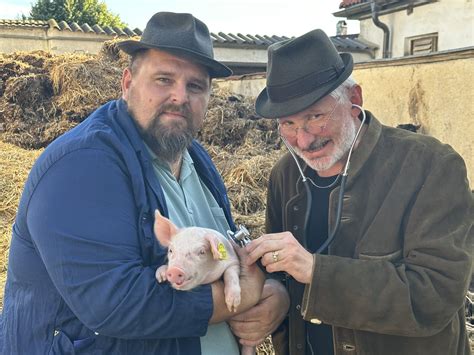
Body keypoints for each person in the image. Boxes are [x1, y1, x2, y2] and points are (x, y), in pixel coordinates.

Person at [0, 12, 284, 355]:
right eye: (163, 79)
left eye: (195, 86)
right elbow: (116, 302)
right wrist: (242, 296)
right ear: (127, 83)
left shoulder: (195, 158)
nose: (180, 97)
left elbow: (222, 253)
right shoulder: (82, 165)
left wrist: (274, 296)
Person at [238, 29, 473, 354]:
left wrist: (317, 272)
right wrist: (272, 294)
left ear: (354, 100)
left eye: (315, 117)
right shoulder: (285, 175)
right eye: (287, 124)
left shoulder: (430, 166)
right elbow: (281, 280)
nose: (303, 140)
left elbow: (435, 295)